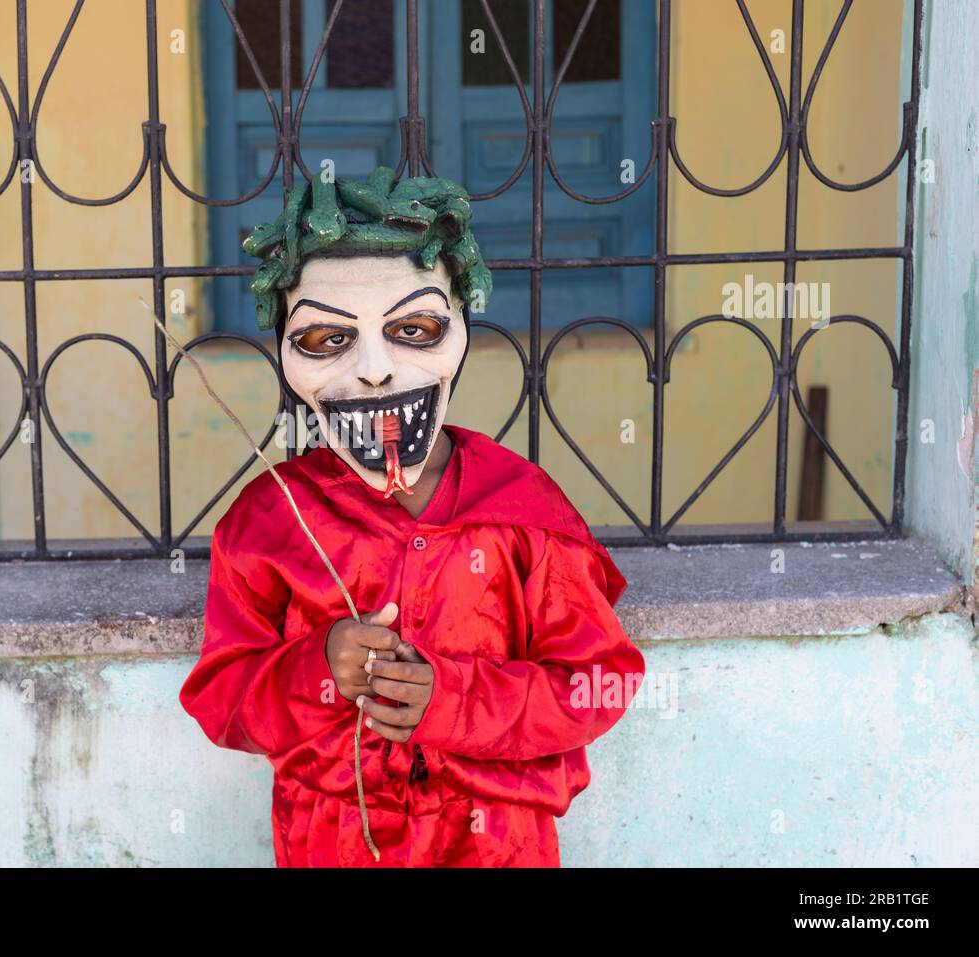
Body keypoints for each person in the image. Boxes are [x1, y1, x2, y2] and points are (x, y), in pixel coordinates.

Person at [179, 167, 645, 867]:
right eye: (325, 340)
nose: (373, 370)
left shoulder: (526, 516)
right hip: (331, 843)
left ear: (460, 326)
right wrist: (320, 664)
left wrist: (454, 697)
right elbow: (223, 697)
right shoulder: (270, 522)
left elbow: (594, 684)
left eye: (414, 328)